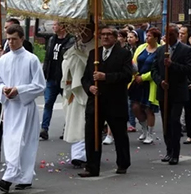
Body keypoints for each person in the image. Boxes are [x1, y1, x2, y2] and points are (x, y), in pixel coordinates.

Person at [0, 24, 46, 193]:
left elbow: (39, 85)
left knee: (24, 143)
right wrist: (3, 90)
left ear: (22, 39)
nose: (11, 43)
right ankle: (20, 176)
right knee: (11, 142)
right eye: (8, 39)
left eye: (14, 39)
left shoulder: (31, 59)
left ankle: (13, 178)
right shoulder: (3, 60)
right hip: (10, 108)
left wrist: (19, 90)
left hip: (25, 107)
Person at [80, 25, 133, 177]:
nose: (105, 37)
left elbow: (126, 76)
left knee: (119, 133)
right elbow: (85, 78)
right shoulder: (93, 54)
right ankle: (92, 166)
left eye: (109, 35)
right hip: (96, 101)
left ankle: (123, 163)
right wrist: (90, 87)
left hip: (115, 101)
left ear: (115, 38)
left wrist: (106, 77)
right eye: (102, 34)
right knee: (92, 134)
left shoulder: (124, 54)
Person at [152, 25, 191, 165]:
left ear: (176, 35)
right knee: (165, 123)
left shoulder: (186, 50)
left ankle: (175, 152)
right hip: (164, 91)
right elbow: (154, 70)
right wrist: (160, 82)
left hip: (178, 92)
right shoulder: (160, 50)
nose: (168, 37)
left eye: (171, 35)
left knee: (174, 121)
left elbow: (189, 69)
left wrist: (172, 65)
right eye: (166, 35)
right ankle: (168, 150)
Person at [61, 23, 95, 167]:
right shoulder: (75, 44)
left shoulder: (95, 46)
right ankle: (77, 154)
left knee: (84, 122)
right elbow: (66, 59)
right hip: (73, 88)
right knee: (74, 121)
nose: (82, 33)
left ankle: (83, 154)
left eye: (85, 30)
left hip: (86, 89)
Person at [40, 21, 75, 140]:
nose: (53, 27)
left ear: (62, 26)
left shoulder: (71, 41)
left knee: (67, 104)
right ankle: (44, 129)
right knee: (48, 103)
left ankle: (68, 128)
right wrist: (45, 72)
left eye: (55, 25)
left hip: (64, 77)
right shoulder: (51, 40)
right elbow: (48, 57)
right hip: (51, 77)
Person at [129, 27, 161, 144]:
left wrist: (143, 77)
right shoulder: (141, 47)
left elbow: (157, 69)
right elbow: (134, 61)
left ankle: (150, 133)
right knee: (135, 107)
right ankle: (144, 128)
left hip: (150, 83)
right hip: (137, 81)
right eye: (146, 35)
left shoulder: (160, 50)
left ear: (156, 38)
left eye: (149, 36)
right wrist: (136, 75)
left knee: (148, 108)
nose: (147, 38)